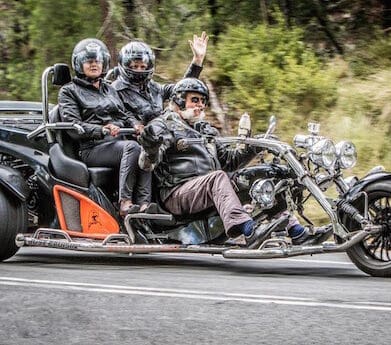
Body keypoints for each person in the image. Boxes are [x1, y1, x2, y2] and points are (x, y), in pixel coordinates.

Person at [138, 77, 331, 247]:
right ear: (180, 100)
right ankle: (248, 229)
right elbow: (146, 164)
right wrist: (150, 147)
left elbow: (230, 162)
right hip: (177, 193)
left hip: (209, 187)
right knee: (218, 178)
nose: (200, 105)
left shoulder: (206, 130)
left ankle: (296, 231)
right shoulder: (163, 125)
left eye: (203, 101)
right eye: (194, 100)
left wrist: (255, 145)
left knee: (255, 179)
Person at [58, 38, 152, 216]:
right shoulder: (69, 91)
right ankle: (124, 203)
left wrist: (136, 125)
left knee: (147, 147)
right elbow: (73, 126)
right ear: (79, 64)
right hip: (92, 148)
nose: (94, 64)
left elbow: (124, 115)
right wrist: (101, 129)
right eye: (89, 61)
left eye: (98, 60)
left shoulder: (110, 90)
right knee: (132, 147)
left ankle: (146, 205)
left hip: (117, 144)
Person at [112, 32, 209, 127]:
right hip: (133, 139)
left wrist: (197, 61)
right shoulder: (114, 91)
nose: (139, 70)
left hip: (162, 137)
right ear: (125, 65)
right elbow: (116, 118)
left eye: (143, 67)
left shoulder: (155, 88)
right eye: (135, 66)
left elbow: (182, 89)